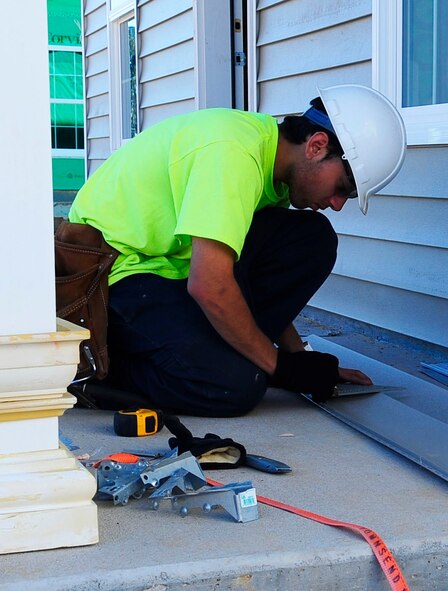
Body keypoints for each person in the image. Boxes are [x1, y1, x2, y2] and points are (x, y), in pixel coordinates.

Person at [68, 85, 407, 417]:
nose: (336, 204)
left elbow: (249, 282)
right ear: (317, 146)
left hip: (168, 268)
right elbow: (208, 284)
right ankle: (99, 369)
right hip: (112, 275)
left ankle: (230, 356)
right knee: (234, 386)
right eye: (341, 189)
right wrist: (280, 368)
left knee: (312, 240)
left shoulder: (272, 172)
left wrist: (299, 357)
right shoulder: (233, 153)